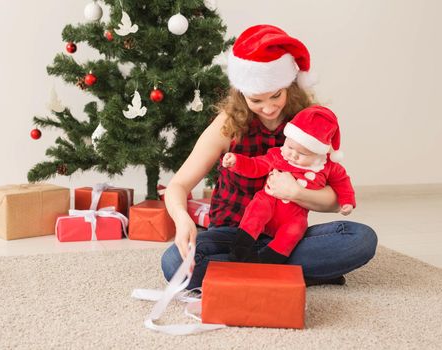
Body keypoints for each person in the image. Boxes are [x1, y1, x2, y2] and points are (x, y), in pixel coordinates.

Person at [162, 24, 377, 289]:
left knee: (361, 238)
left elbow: (336, 200)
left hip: (286, 236)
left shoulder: (310, 123)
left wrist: (296, 193)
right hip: (233, 235)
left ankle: (245, 273)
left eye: (276, 95)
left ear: (289, 85)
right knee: (173, 262)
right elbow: (178, 186)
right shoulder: (227, 125)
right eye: (257, 100)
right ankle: (291, 273)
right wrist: (182, 220)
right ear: (242, 93)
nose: (269, 107)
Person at [222, 105, 356, 264]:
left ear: (319, 152)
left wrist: (347, 201)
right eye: (290, 147)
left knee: (296, 229)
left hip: (295, 214)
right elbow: (256, 166)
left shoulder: (328, 166)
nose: (292, 154)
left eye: (302, 153)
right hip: (269, 202)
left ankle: (269, 259)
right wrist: (236, 162)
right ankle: (240, 249)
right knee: (258, 208)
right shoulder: (278, 155)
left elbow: (342, 182)